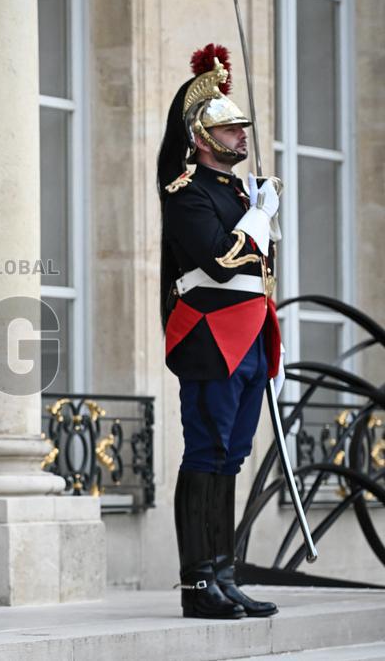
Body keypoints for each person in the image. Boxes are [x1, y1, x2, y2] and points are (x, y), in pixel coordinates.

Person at [157, 44, 283, 620]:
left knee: (231, 456)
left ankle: (224, 571)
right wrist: (258, 218)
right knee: (206, 452)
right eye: (230, 129)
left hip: (250, 333)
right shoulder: (188, 192)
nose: (241, 136)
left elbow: (261, 273)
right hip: (210, 334)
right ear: (203, 138)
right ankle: (196, 582)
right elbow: (217, 260)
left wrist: (256, 210)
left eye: (240, 128)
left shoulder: (234, 192)